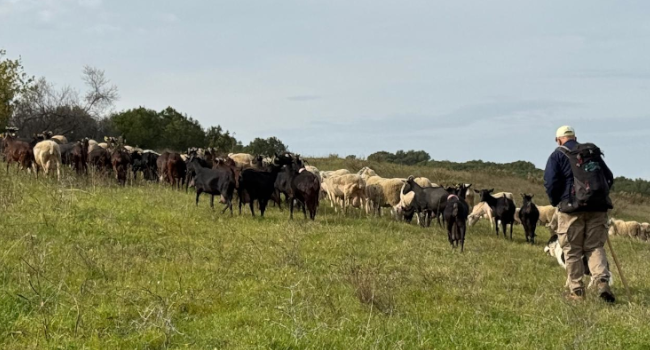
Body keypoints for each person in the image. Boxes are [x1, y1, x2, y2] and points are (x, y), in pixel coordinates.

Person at [543, 126, 615, 302]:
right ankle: (602, 282)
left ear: (559, 140)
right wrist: (598, 197)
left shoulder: (558, 155)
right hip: (597, 208)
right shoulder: (591, 153)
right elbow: (609, 176)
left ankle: (576, 291)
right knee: (595, 246)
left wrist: (556, 201)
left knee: (572, 250)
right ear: (575, 137)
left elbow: (550, 182)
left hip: (571, 209)